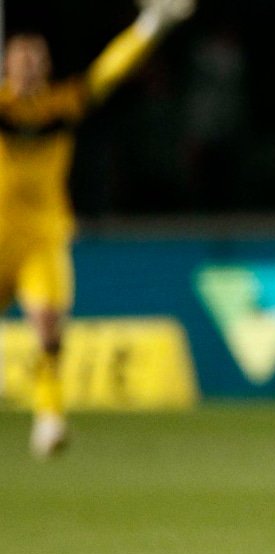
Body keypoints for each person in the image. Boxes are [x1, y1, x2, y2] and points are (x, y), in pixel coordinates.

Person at [0, 0, 194, 458]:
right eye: (20, 61)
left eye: (36, 61)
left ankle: (49, 417)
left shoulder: (60, 105)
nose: (28, 69)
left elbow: (108, 71)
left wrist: (151, 26)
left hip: (42, 237)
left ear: (46, 67)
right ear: (6, 66)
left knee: (48, 329)